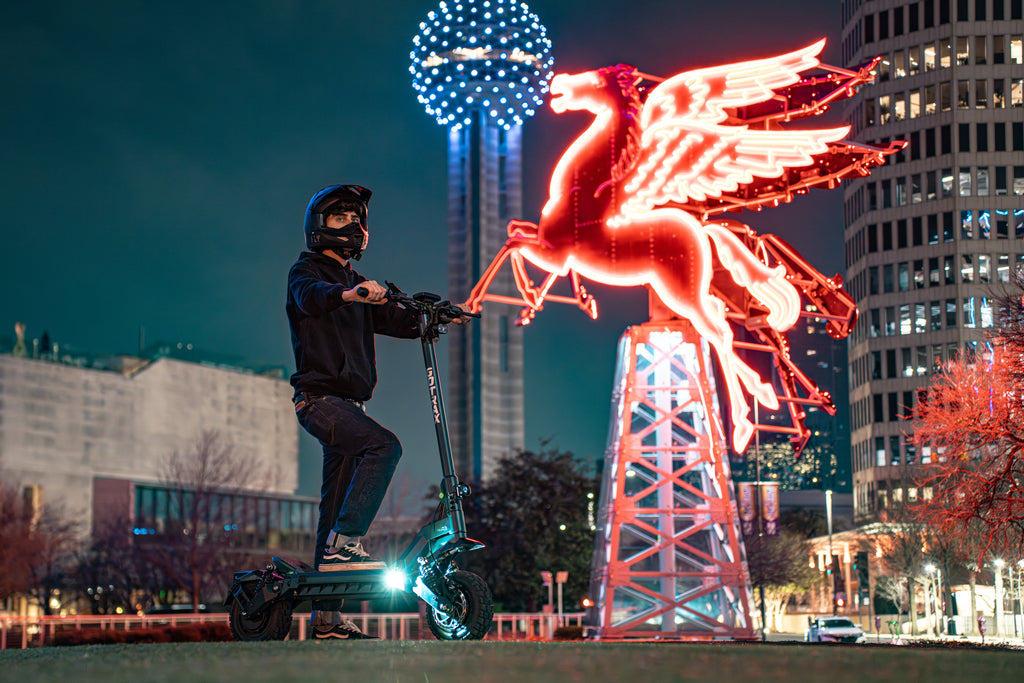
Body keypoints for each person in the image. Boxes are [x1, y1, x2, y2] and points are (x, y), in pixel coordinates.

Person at [286, 183, 420, 640]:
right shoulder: (308, 272)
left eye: (357, 219)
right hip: (319, 402)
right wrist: (350, 295)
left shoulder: (356, 285)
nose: (354, 226)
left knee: (333, 510)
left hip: (348, 405)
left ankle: (326, 619)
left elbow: (394, 319)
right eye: (342, 218)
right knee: (384, 446)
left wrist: (437, 315)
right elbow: (310, 297)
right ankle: (347, 547)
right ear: (320, 226)